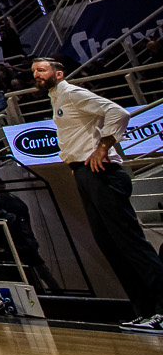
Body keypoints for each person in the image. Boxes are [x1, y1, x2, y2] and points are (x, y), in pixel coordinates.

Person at [31, 56, 163, 332]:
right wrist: (75, 163)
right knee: (110, 246)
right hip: (85, 174)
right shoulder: (57, 98)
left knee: (131, 245)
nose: (36, 75)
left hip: (104, 175)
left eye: (41, 70)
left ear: (59, 73)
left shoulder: (73, 93)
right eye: (34, 72)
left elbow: (119, 113)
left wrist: (102, 148)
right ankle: (145, 310)